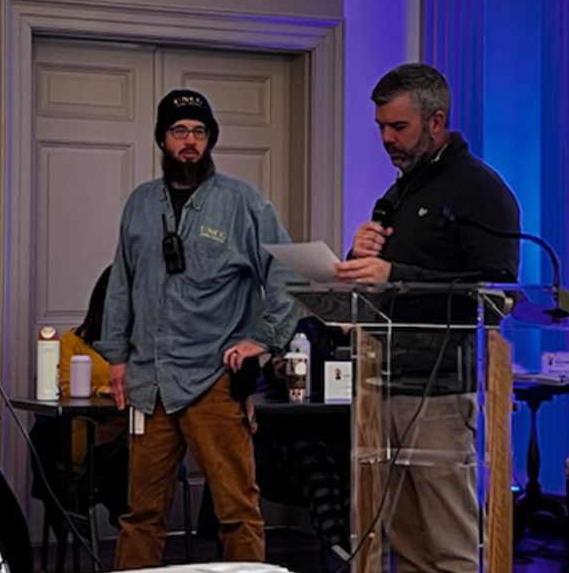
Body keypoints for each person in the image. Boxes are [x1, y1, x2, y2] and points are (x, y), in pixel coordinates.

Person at [96, 88, 300, 569]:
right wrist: (118, 358)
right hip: (151, 381)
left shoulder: (243, 203)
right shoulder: (140, 203)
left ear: (210, 140)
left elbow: (287, 272)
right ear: (162, 139)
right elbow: (121, 280)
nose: (189, 142)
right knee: (140, 512)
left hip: (214, 378)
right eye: (179, 131)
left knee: (236, 508)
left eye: (199, 132)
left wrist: (263, 338)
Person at [334, 63, 520, 573]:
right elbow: (384, 289)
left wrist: (395, 271)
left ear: (436, 122)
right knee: (405, 540)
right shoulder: (399, 192)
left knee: (450, 542)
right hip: (384, 381)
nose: (387, 139)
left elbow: (495, 294)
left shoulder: (480, 189)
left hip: (441, 386)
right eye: (381, 128)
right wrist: (358, 256)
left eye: (399, 127)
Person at [56, 265, 129, 526]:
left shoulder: (142, 342)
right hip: (92, 433)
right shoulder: (73, 342)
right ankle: (132, 533)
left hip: (136, 431)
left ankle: (142, 539)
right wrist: (103, 390)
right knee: (124, 464)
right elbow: (67, 390)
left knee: (142, 460)